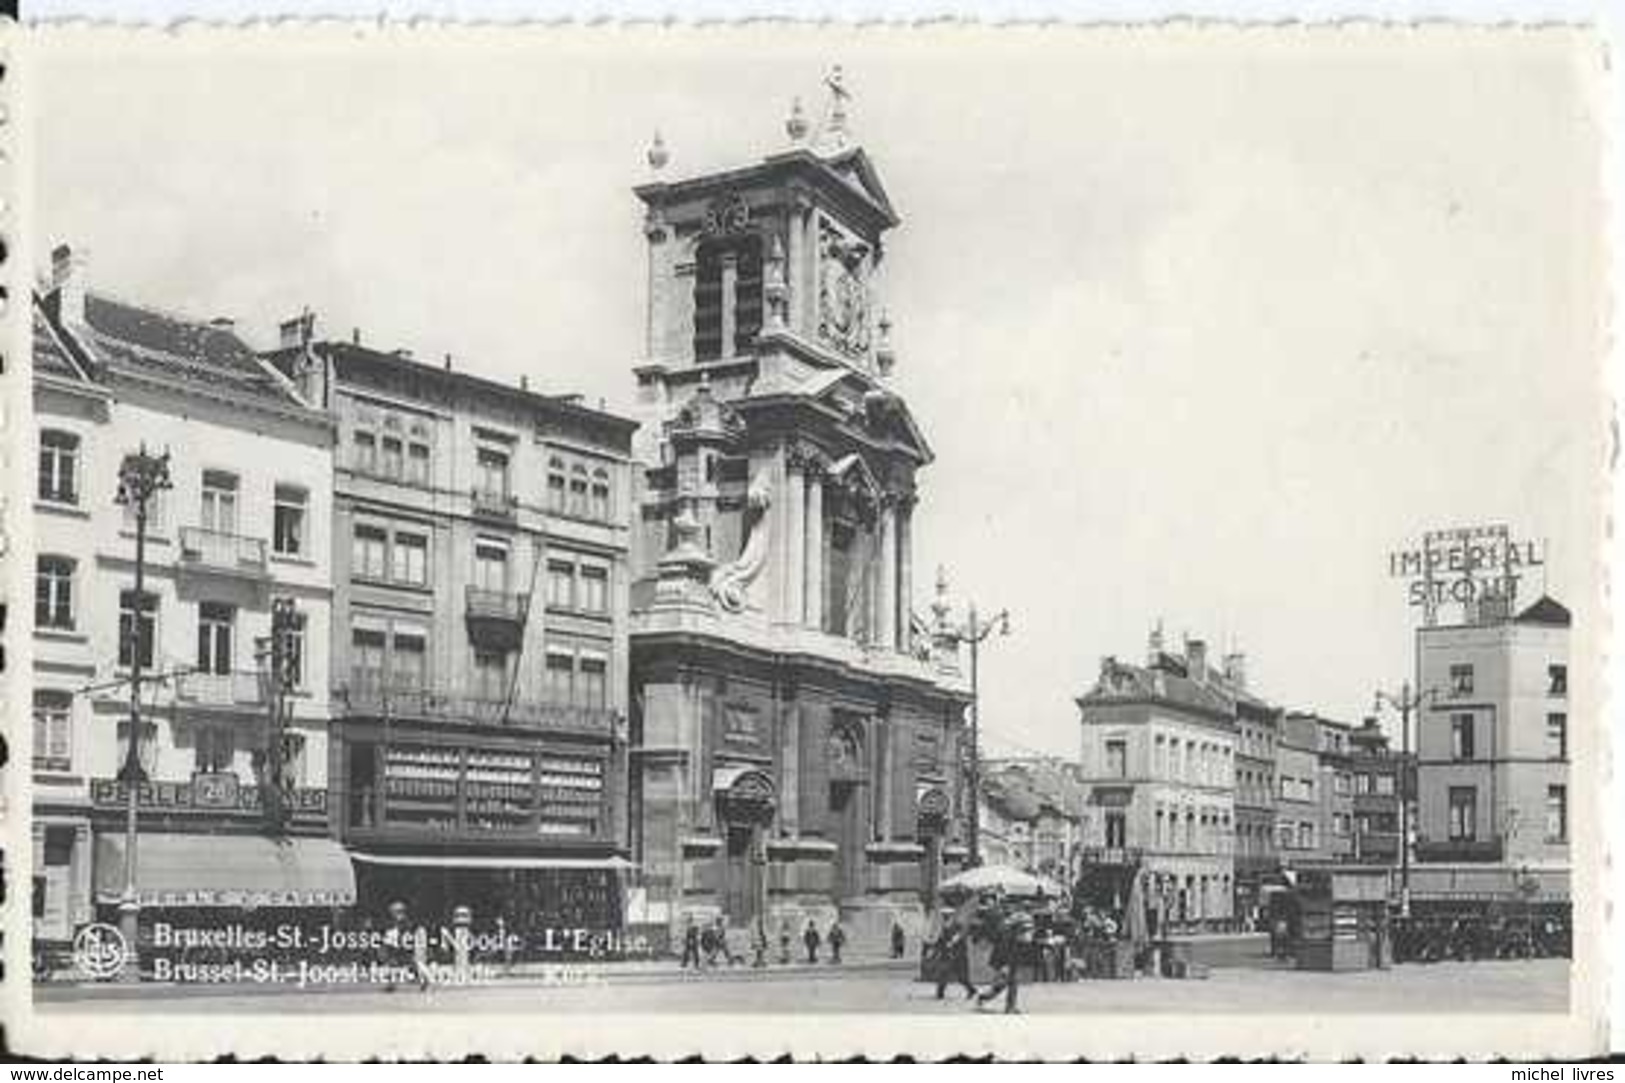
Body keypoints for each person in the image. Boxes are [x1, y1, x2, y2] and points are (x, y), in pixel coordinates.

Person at [977, 910, 1030, 1014]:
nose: (1027, 932)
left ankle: (1007, 1005)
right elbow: (1003, 952)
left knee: (1009, 983)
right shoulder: (1008, 935)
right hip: (1003, 962)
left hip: (1010, 962)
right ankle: (986, 998)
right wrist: (1004, 966)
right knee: (1004, 984)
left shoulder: (1015, 935)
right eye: (1025, 928)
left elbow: (1016, 951)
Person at [932, 917, 977, 1001]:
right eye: (945, 916)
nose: (946, 920)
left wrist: (953, 948)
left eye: (948, 917)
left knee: (962, 977)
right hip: (948, 956)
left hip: (959, 957)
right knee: (943, 973)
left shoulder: (958, 931)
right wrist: (939, 950)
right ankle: (940, 993)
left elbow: (962, 945)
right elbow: (941, 942)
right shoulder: (944, 930)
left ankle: (971, 990)